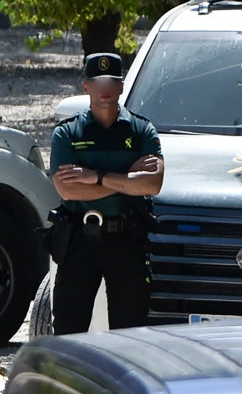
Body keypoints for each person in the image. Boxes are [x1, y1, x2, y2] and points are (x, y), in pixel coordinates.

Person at [48, 52, 163, 332]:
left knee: (130, 334)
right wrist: (125, 182)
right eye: (98, 82)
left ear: (122, 86)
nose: (105, 90)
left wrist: (93, 176)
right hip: (79, 240)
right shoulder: (68, 133)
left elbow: (152, 184)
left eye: (112, 82)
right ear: (86, 86)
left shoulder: (141, 130)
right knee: (69, 334)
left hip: (126, 239)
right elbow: (67, 190)